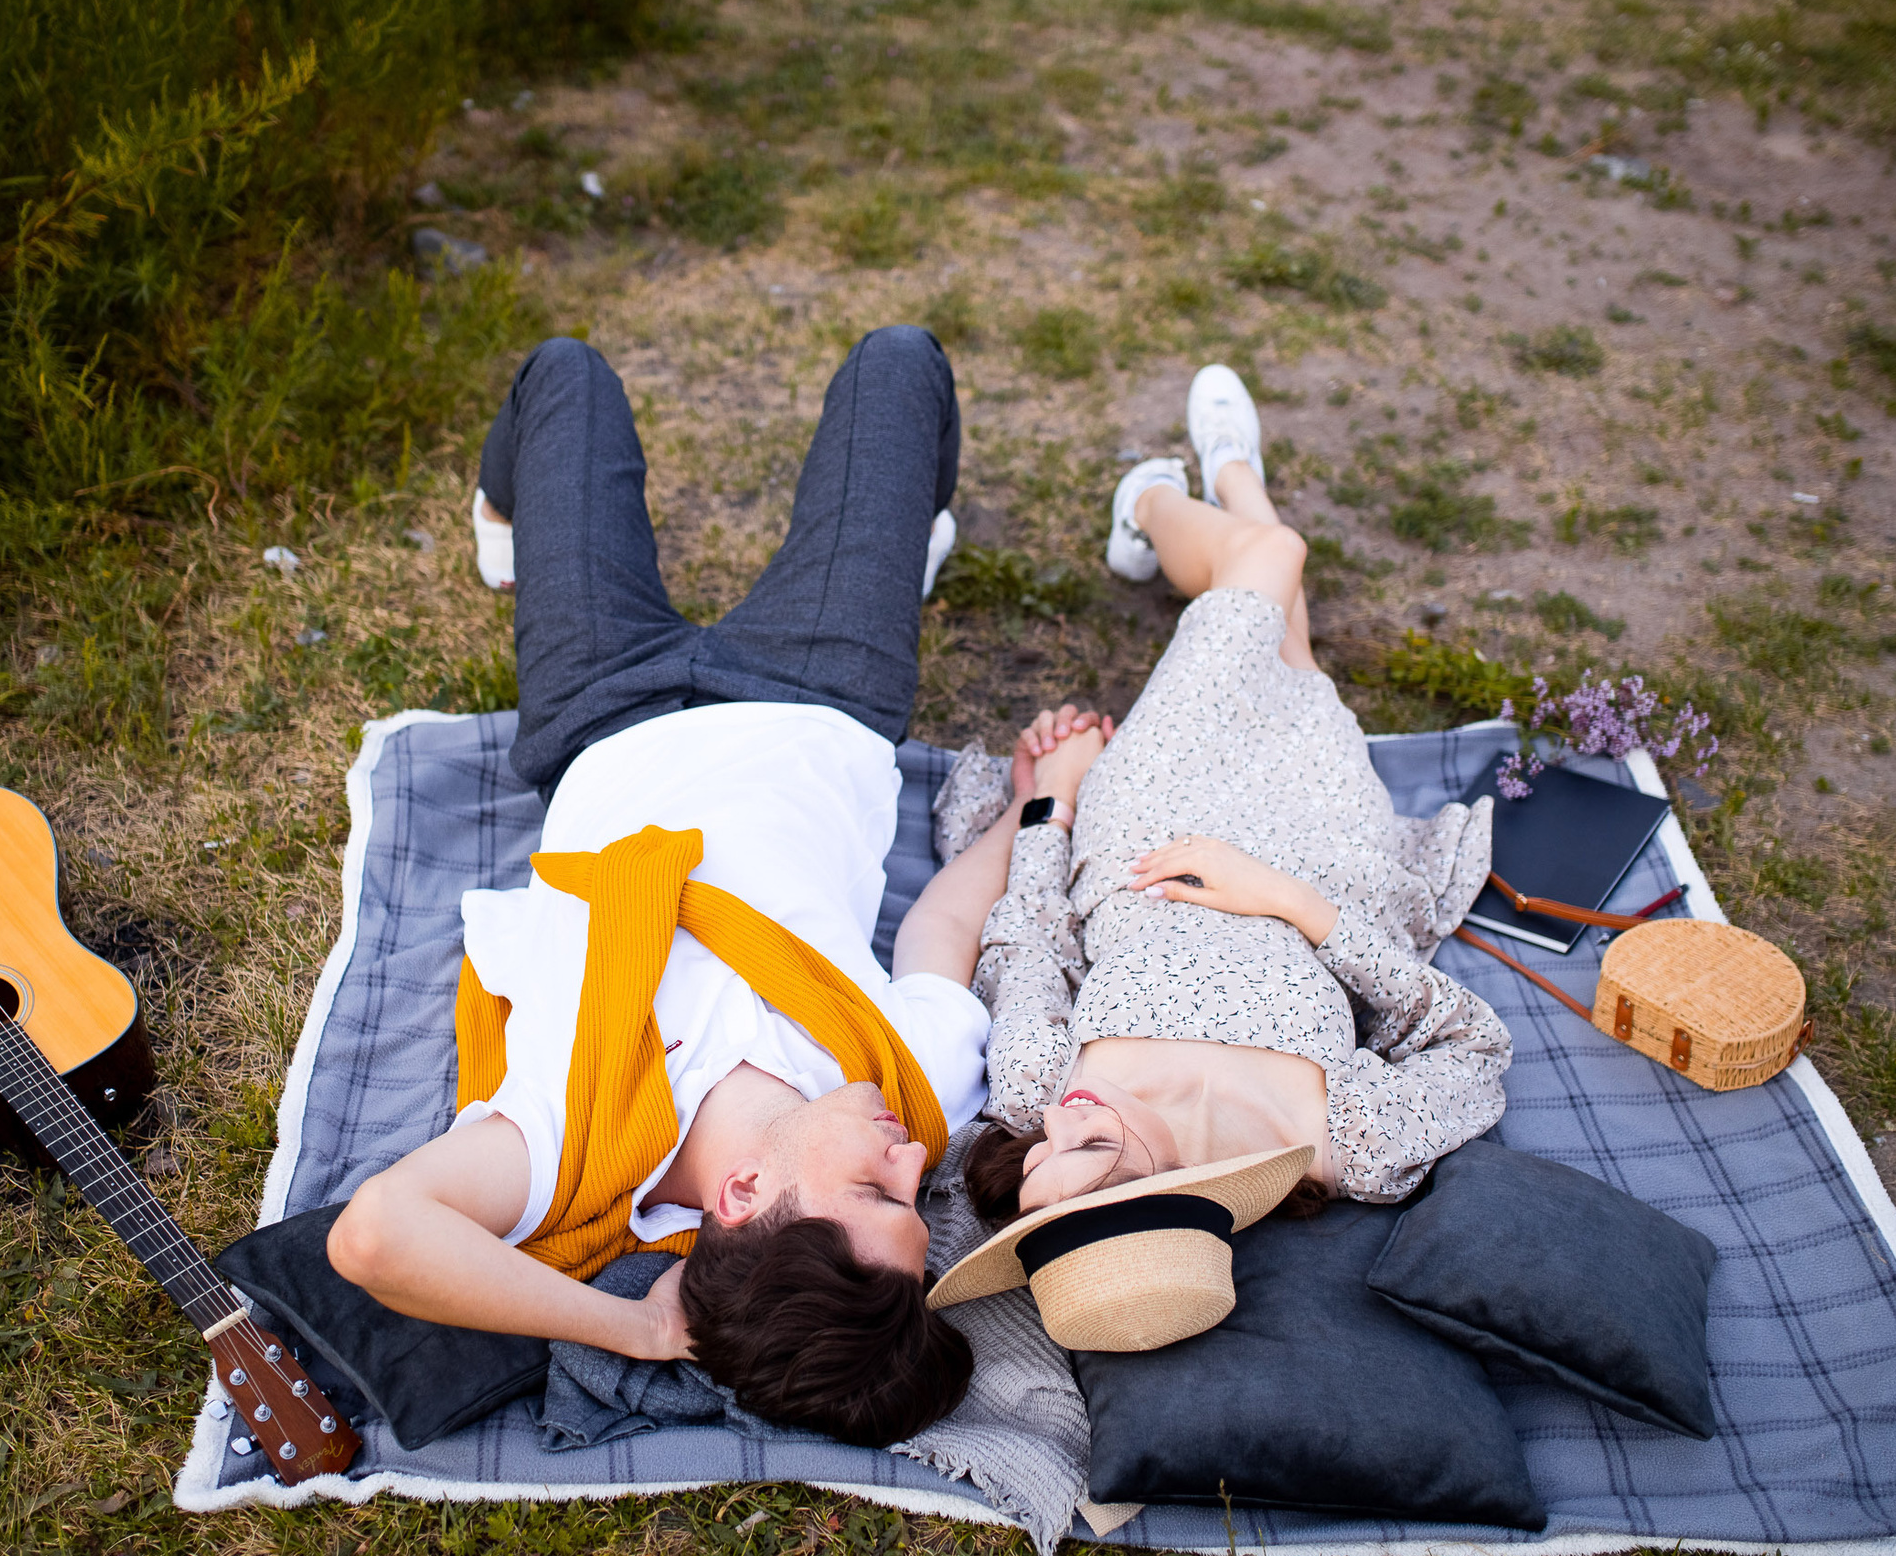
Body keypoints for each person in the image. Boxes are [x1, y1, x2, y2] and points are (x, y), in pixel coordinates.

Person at [325, 327, 1028, 1447]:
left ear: (744, 1198)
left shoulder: (576, 1146)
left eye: (880, 1194)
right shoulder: (906, 1086)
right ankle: (905, 547)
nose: (915, 1161)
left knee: (563, 374)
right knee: (900, 365)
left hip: (606, 712)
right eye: (918, 1199)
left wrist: (640, 1332)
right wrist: (1038, 807)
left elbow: (372, 1236)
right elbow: (942, 924)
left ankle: (506, 532)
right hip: (823, 695)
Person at [952, 363, 1512, 1227]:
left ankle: (1150, 502)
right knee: (1292, 663)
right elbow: (1474, 1045)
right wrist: (1293, 905)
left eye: (1038, 1160)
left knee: (1269, 564)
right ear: (1160, 1196)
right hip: (1326, 860)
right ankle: (1222, 477)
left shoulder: (1036, 1090)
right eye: (1089, 1151)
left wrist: (1054, 799)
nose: (1054, 1124)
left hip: (1154, 817)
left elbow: (1029, 932)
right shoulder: (1347, 1142)